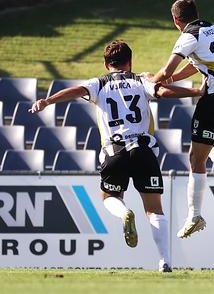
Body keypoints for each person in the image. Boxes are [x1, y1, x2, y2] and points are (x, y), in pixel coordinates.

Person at [28, 40, 204, 272]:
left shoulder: (98, 83)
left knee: (109, 195)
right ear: (130, 62)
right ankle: (165, 262)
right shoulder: (141, 80)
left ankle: (123, 212)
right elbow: (162, 91)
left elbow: (75, 91)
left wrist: (48, 100)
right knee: (154, 209)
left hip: (115, 151)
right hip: (144, 150)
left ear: (105, 63)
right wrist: (197, 92)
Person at [148, 0, 214, 239]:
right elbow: (196, 65)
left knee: (195, 157)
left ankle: (194, 215)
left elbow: (168, 69)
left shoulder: (187, 35)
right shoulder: (211, 28)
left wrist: (148, 81)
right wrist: (170, 80)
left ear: (176, 20)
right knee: (206, 145)